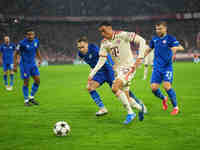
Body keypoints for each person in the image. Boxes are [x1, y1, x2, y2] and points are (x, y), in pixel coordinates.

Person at [88, 22, 147, 124]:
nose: (102, 33)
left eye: (104, 30)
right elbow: (102, 60)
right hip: (118, 70)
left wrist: (140, 57)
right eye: (101, 31)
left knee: (115, 88)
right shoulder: (104, 43)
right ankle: (140, 108)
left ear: (110, 28)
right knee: (126, 98)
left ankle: (130, 113)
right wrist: (92, 73)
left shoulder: (122, 35)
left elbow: (142, 40)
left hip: (129, 67)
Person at [77, 36, 147, 117]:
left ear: (87, 44)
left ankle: (139, 104)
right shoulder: (80, 54)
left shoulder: (93, 48)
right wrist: (92, 72)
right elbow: (92, 63)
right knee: (90, 87)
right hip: (99, 73)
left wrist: (113, 67)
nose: (81, 49)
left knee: (121, 90)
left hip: (108, 70)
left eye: (82, 47)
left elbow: (105, 56)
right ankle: (103, 109)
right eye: (79, 48)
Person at [144, 21, 184, 115]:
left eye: (160, 28)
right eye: (157, 29)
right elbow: (148, 50)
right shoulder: (154, 39)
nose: (158, 30)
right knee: (153, 88)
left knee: (166, 86)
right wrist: (141, 57)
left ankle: (175, 107)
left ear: (165, 28)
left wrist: (174, 51)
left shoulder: (170, 38)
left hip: (167, 67)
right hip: (157, 67)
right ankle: (164, 98)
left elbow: (178, 47)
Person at [14, 29, 42, 106]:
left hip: (33, 64)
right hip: (24, 65)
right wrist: (15, 65)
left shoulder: (36, 41)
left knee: (37, 80)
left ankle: (31, 97)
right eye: (29, 35)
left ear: (34, 35)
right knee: (26, 82)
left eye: (32, 34)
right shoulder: (22, 43)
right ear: (26, 35)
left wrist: (40, 59)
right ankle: (26, 100)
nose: (30, 36)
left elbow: (37, 50)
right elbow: (15, 53)